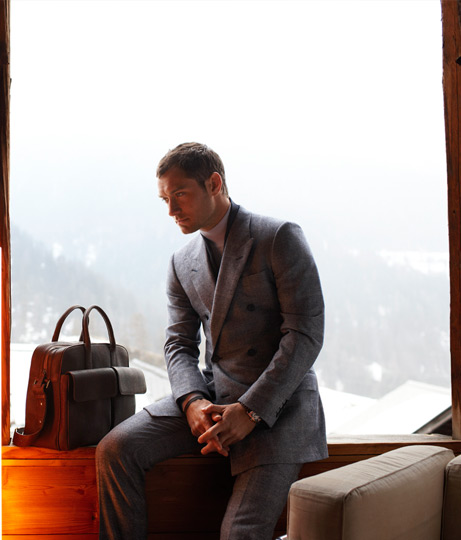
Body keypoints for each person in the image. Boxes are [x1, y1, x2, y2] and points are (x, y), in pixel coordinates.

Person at [96, 142, 327, 540]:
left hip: (279, 409)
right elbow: (178, 344)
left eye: (180, 194)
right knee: (116, 449)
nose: (171, 210)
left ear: (214, 184)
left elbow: (305, 334)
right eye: (165, 199)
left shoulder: (278, 237)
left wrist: (250, 411)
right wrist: (192, 402)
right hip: (212, 396)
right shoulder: (181, 262)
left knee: (239, 534)